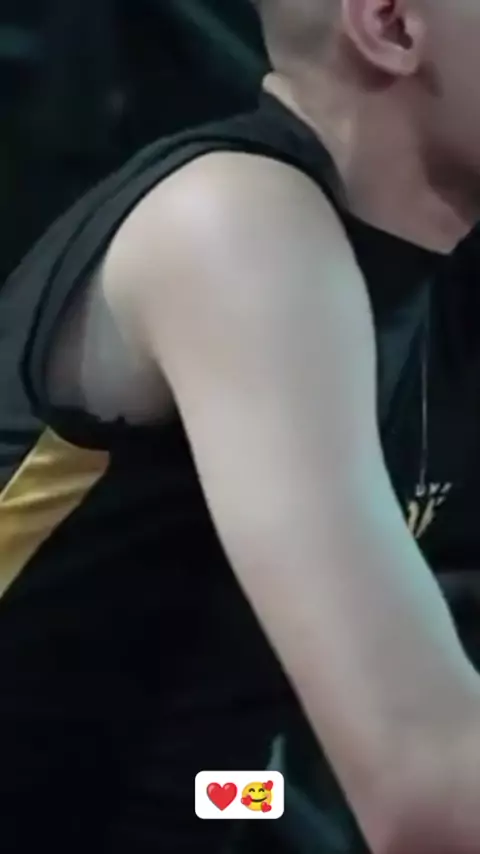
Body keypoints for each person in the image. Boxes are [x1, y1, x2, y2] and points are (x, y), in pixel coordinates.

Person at [2, 0, 480, 852]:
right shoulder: (232, 226)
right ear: (392, 25)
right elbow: (429, 788)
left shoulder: (427, 286)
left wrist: (261, 817)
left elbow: (217, 768)